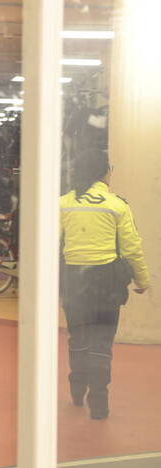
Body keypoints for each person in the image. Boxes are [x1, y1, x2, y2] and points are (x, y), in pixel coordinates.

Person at [60, 149, 149, 420]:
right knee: (102, 342)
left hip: (74, 279)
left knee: (78, 336)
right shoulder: (116, 204)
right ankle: (99, 401)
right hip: (106, 283)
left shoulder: (63, 203)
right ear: (104, 172)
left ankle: (77, 388)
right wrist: (142, 280)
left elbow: (48, 242)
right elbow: (132, 248)